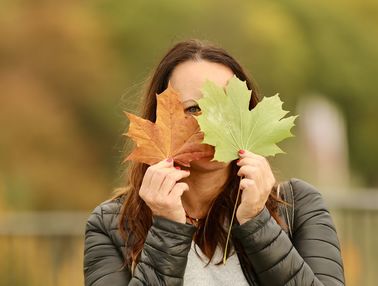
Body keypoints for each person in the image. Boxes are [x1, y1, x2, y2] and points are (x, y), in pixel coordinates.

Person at [83, 39, 345, 286]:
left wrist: (257, 222)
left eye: (226, 104)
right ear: (160, 120)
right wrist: (168, 229)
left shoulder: (298, 207)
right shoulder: (111, 225)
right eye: (194, 109)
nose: (212, 122)